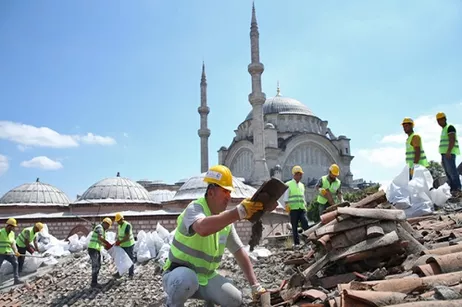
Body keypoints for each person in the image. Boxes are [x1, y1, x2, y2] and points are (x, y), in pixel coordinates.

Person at [162, 164, 273, 307]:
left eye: (229, 192)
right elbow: (202, 228)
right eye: (225, 191)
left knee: (234, 299)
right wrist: (238, 213)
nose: (229, 196)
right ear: (211, 192)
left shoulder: (225, 222)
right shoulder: (194, 208)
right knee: (186, 280)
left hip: (205, 278)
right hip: (177, 275)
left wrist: (255, 286)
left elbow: (240, 253)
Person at [283, 165, 310, 248]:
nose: (300, 176)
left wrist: (305, 205)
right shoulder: (288, 184)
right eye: (299, 174)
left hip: (301, 208)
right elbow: (286, 197)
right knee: (294, 227)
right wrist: (287, 205)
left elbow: (303, 196)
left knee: (305, 224)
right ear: (294, 174)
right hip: (293, 209)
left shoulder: (302, 185)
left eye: (301, 174)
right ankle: (297, 243)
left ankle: (308, 241)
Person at [436, 112, 461, 197]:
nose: (439, 122)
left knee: (452, 172)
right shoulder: (444, 129)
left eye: (441, 120)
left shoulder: (450, 127)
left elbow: (452, 139)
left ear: (445, 119)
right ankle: (453, 190)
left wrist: (449, 151)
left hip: (449, 153)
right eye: (438, 120)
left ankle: (458, 189)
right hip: (444, 154)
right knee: (448, 173)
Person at [88, 217, 113, 288]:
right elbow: (100, 238)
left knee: (98, 265)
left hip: (96, 249)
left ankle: (94, 282)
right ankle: (94, 283)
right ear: (106, 223)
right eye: (108, 226)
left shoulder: (102, 230)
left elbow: (101, 241)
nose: (108, 228)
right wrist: (107, 243)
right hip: (93, 248)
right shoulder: (100, 228)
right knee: (96, 265)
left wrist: (109, 247)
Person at [0, 218, 23, 285]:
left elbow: (13, 244)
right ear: (9, 226)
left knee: (15, 263)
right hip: (0, 253)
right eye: (13, 227)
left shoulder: (12, 234)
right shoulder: (1, 232)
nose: (13, 229)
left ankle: (16, 280)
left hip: (9, 253)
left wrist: (16, 251)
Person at [114, 212, 135, 278]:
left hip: (129, 245)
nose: (117, 222)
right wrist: (117, 241)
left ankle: (131, 274)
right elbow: (119, 235)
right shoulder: (119, 226)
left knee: (130, 259)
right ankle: (120, 272)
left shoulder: (127, 225)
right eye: (117, 221)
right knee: (121, 259)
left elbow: (127, 237)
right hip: (122, 245)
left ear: (122, 219)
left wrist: (119, 242)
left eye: (118, 221)